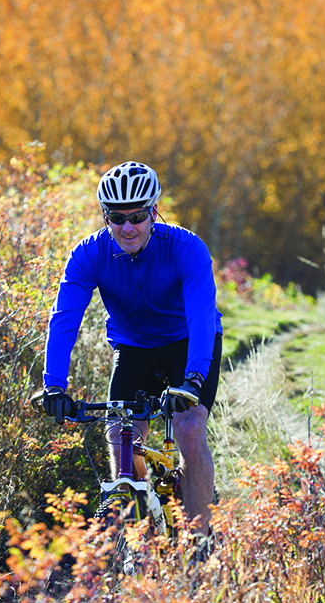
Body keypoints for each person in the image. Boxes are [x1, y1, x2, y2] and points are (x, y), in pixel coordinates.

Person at [41, 161, 223, 541]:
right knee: (120, 439)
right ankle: (141, 540)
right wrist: (54, 385)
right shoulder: (88, 255)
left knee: (189, 430)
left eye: (137, 216)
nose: (127, 227)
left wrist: (193, 379)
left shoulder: (186, 249)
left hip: (187, 346)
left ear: (153, 211)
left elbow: (203, 317)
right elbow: (64, 320)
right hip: (133, 349)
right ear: (105, 216)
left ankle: (202, 546)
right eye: (117, 217)